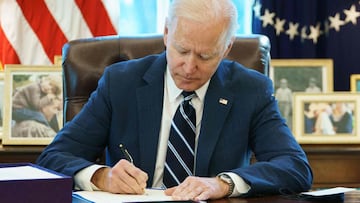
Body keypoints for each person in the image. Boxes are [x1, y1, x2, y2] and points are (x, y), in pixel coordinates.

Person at [37, 0, 312, 201]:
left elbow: (294, 167)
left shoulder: (250, 90)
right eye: (181, 50)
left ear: (227, 48)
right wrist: (101, 176)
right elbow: (53, 158)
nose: (189, 67)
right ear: (167, 33)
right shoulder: (120, 82)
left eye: (205, 56)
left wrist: (224, 184)